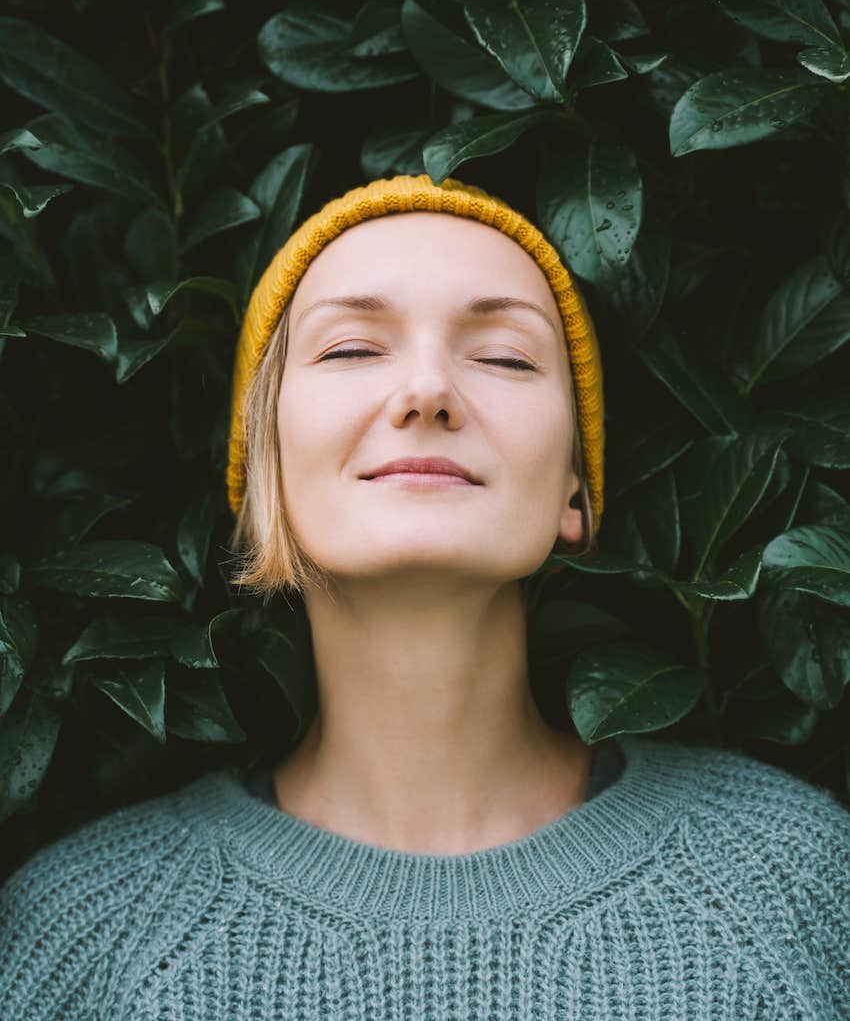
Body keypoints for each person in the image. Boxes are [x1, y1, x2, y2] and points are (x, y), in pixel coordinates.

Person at [0, 172, 848, 1021]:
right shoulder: (84, 937)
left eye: (506, 356)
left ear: (574, 491)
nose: (427, 391)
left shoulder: (794, 881)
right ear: (266, 469)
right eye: (353, 349)